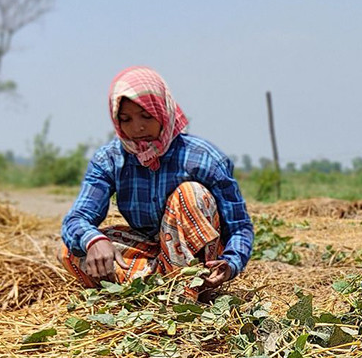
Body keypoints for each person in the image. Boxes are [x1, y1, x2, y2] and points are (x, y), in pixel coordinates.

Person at [59, 66, 253, 300]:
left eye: (146, 116)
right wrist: (93, 241)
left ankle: (187, 290)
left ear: (163, 111)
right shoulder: (110, 159)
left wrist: (231, 263)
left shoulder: (203, 158)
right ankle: (159, 287)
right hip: (149, 251)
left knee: (190, 193)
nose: (136, 128)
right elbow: (77, 218)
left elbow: (239, 226)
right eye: (125, 119)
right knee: (73, 249)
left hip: (200, 258)